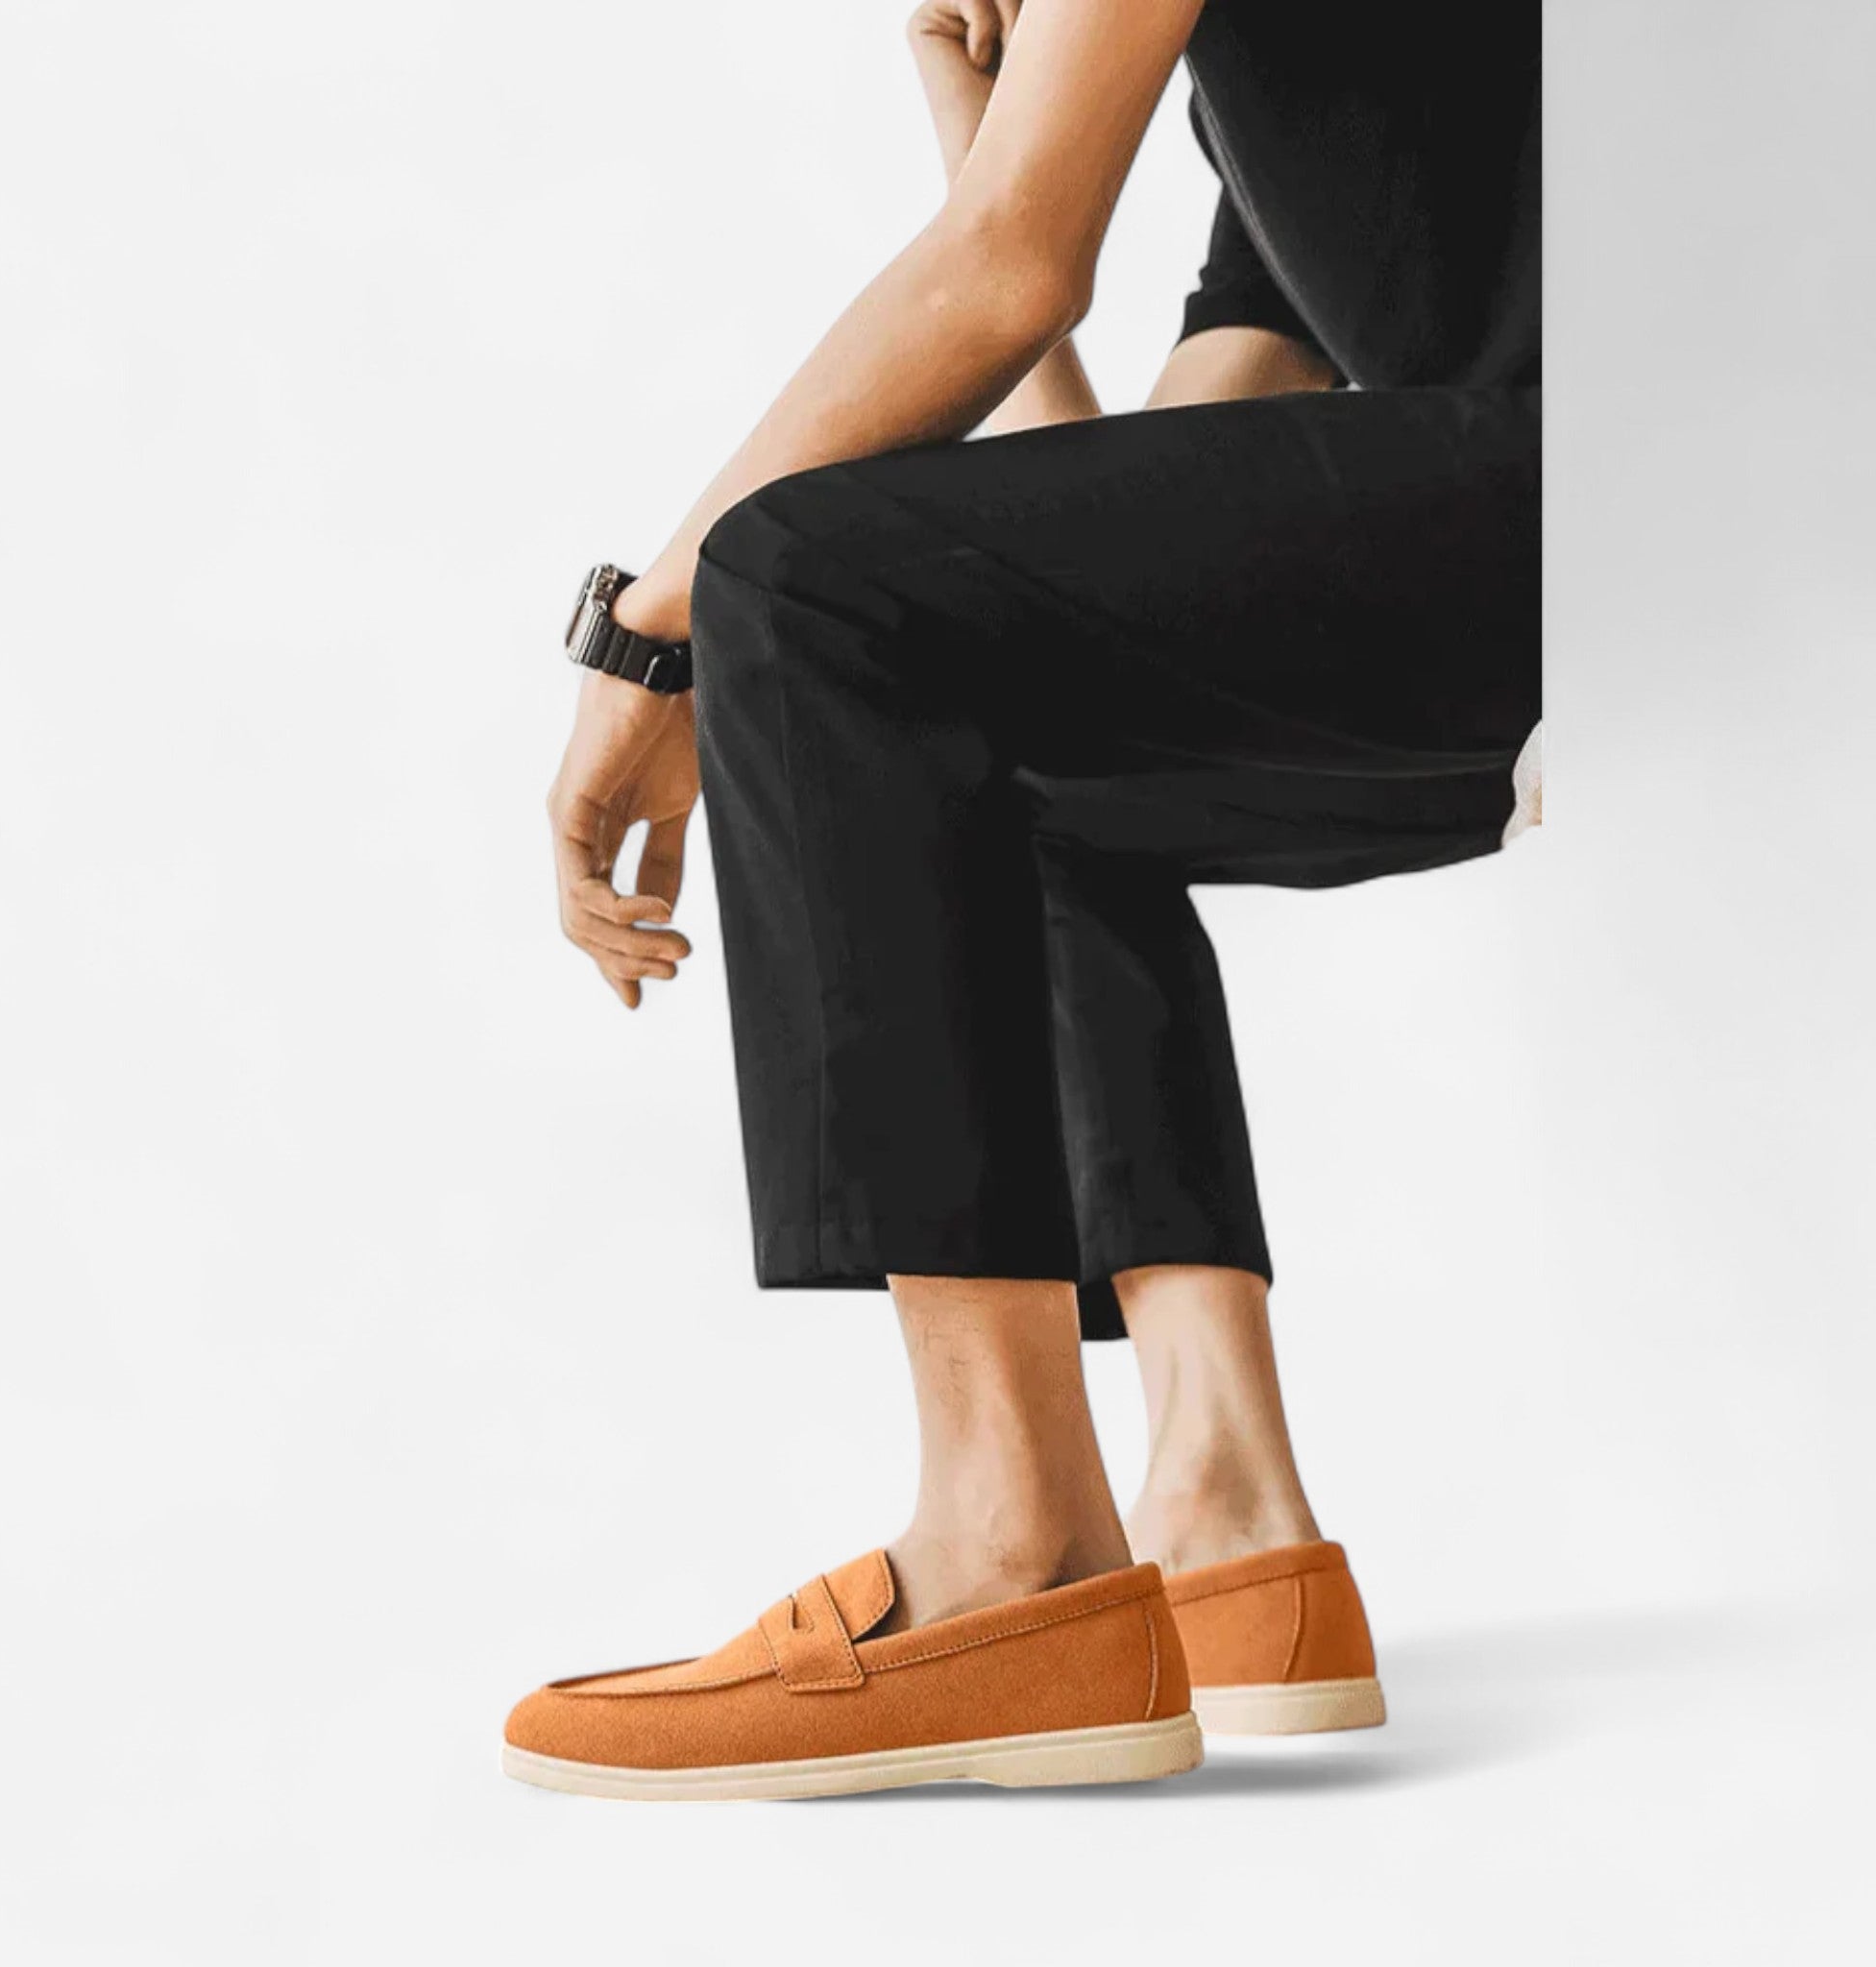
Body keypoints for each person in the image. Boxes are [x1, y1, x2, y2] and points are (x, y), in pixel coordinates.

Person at [506, 0, 1541, 1800]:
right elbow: (1120, 514)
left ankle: (1012, 1550)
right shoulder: (1302, 98)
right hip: (1597, 530)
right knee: (990, 692)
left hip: (1637, 509)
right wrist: (982, 135)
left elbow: (1010, 268)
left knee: (800, 578)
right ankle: (1227, 1513)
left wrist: (653, 635)